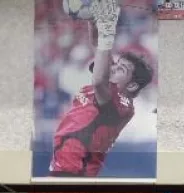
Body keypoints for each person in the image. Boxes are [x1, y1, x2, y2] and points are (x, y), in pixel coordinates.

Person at [49, 0, 153, 177]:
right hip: (62, 166)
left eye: (121, 69)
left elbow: (98, 80)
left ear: (133, 84)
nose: (113, 67)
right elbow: (98, 44)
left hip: (76, 173)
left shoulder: (122, 105)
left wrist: (108, 33)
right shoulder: (110, 82)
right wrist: (92, 18)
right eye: (116, 64)